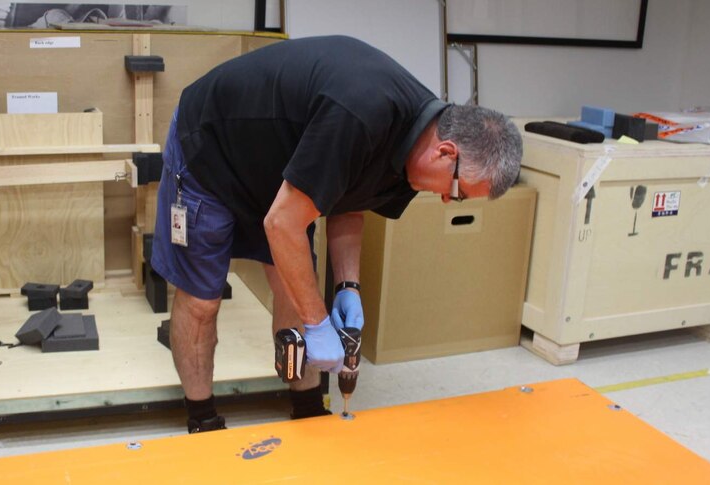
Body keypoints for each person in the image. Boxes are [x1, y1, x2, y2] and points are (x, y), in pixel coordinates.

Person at [151, 35, 522, 433]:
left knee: (296, 291)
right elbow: (282, 224)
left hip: (278, 172)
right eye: (457, 192)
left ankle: (308, 408)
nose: (449, 202)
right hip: (212, 147)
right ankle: (202, 417)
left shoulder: (419, 142)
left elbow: (351, 199)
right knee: (202, 299)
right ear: (445, 152)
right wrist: (317, 323)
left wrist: (349, 285)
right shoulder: (361, 114)